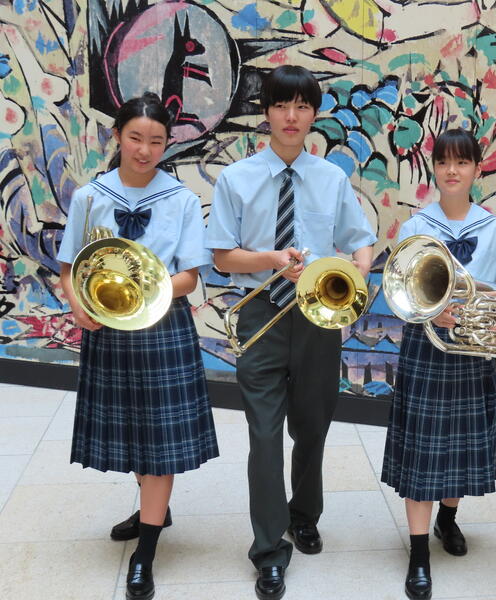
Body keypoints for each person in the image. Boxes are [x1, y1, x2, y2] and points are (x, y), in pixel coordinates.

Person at [205, 64, 376, 600]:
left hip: (318, 316)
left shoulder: (331, 178)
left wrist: (358, 270)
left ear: (314, 114)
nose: (292, 116)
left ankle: (304, 515)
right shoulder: (236, 179)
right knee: (263, 434)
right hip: (260, 315)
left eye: (303, 106)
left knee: (313, 425)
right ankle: (268, 550)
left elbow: (361, 239)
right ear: (267, 112)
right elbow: (222, 257)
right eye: (281, 105)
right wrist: (272, 259)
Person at [57, 93, 219, 600]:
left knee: (160, 442)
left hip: (163, 328)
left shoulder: (182, 199)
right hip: (107, 330)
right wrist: (78, 307)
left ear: (167, 144)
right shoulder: (90, 197)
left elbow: (190, 276)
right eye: (135, 138)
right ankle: (155, 510)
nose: (145, 150)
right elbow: (68, 267)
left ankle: (145, 553)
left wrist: (144, 292)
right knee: (130, 429)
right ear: (117, 136)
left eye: (156, 141)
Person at [381, 128, 496, 600]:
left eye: (462, 162)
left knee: (461, 445)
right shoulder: (415, 227)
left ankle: (447, 518)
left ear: (477, 169)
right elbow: (398, 290)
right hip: (426, 347)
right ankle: (419, 555)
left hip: (472, 351)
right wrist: (429, 311)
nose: (452, 170)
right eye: (444, 161)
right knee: (422, 449)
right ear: (434, 168)